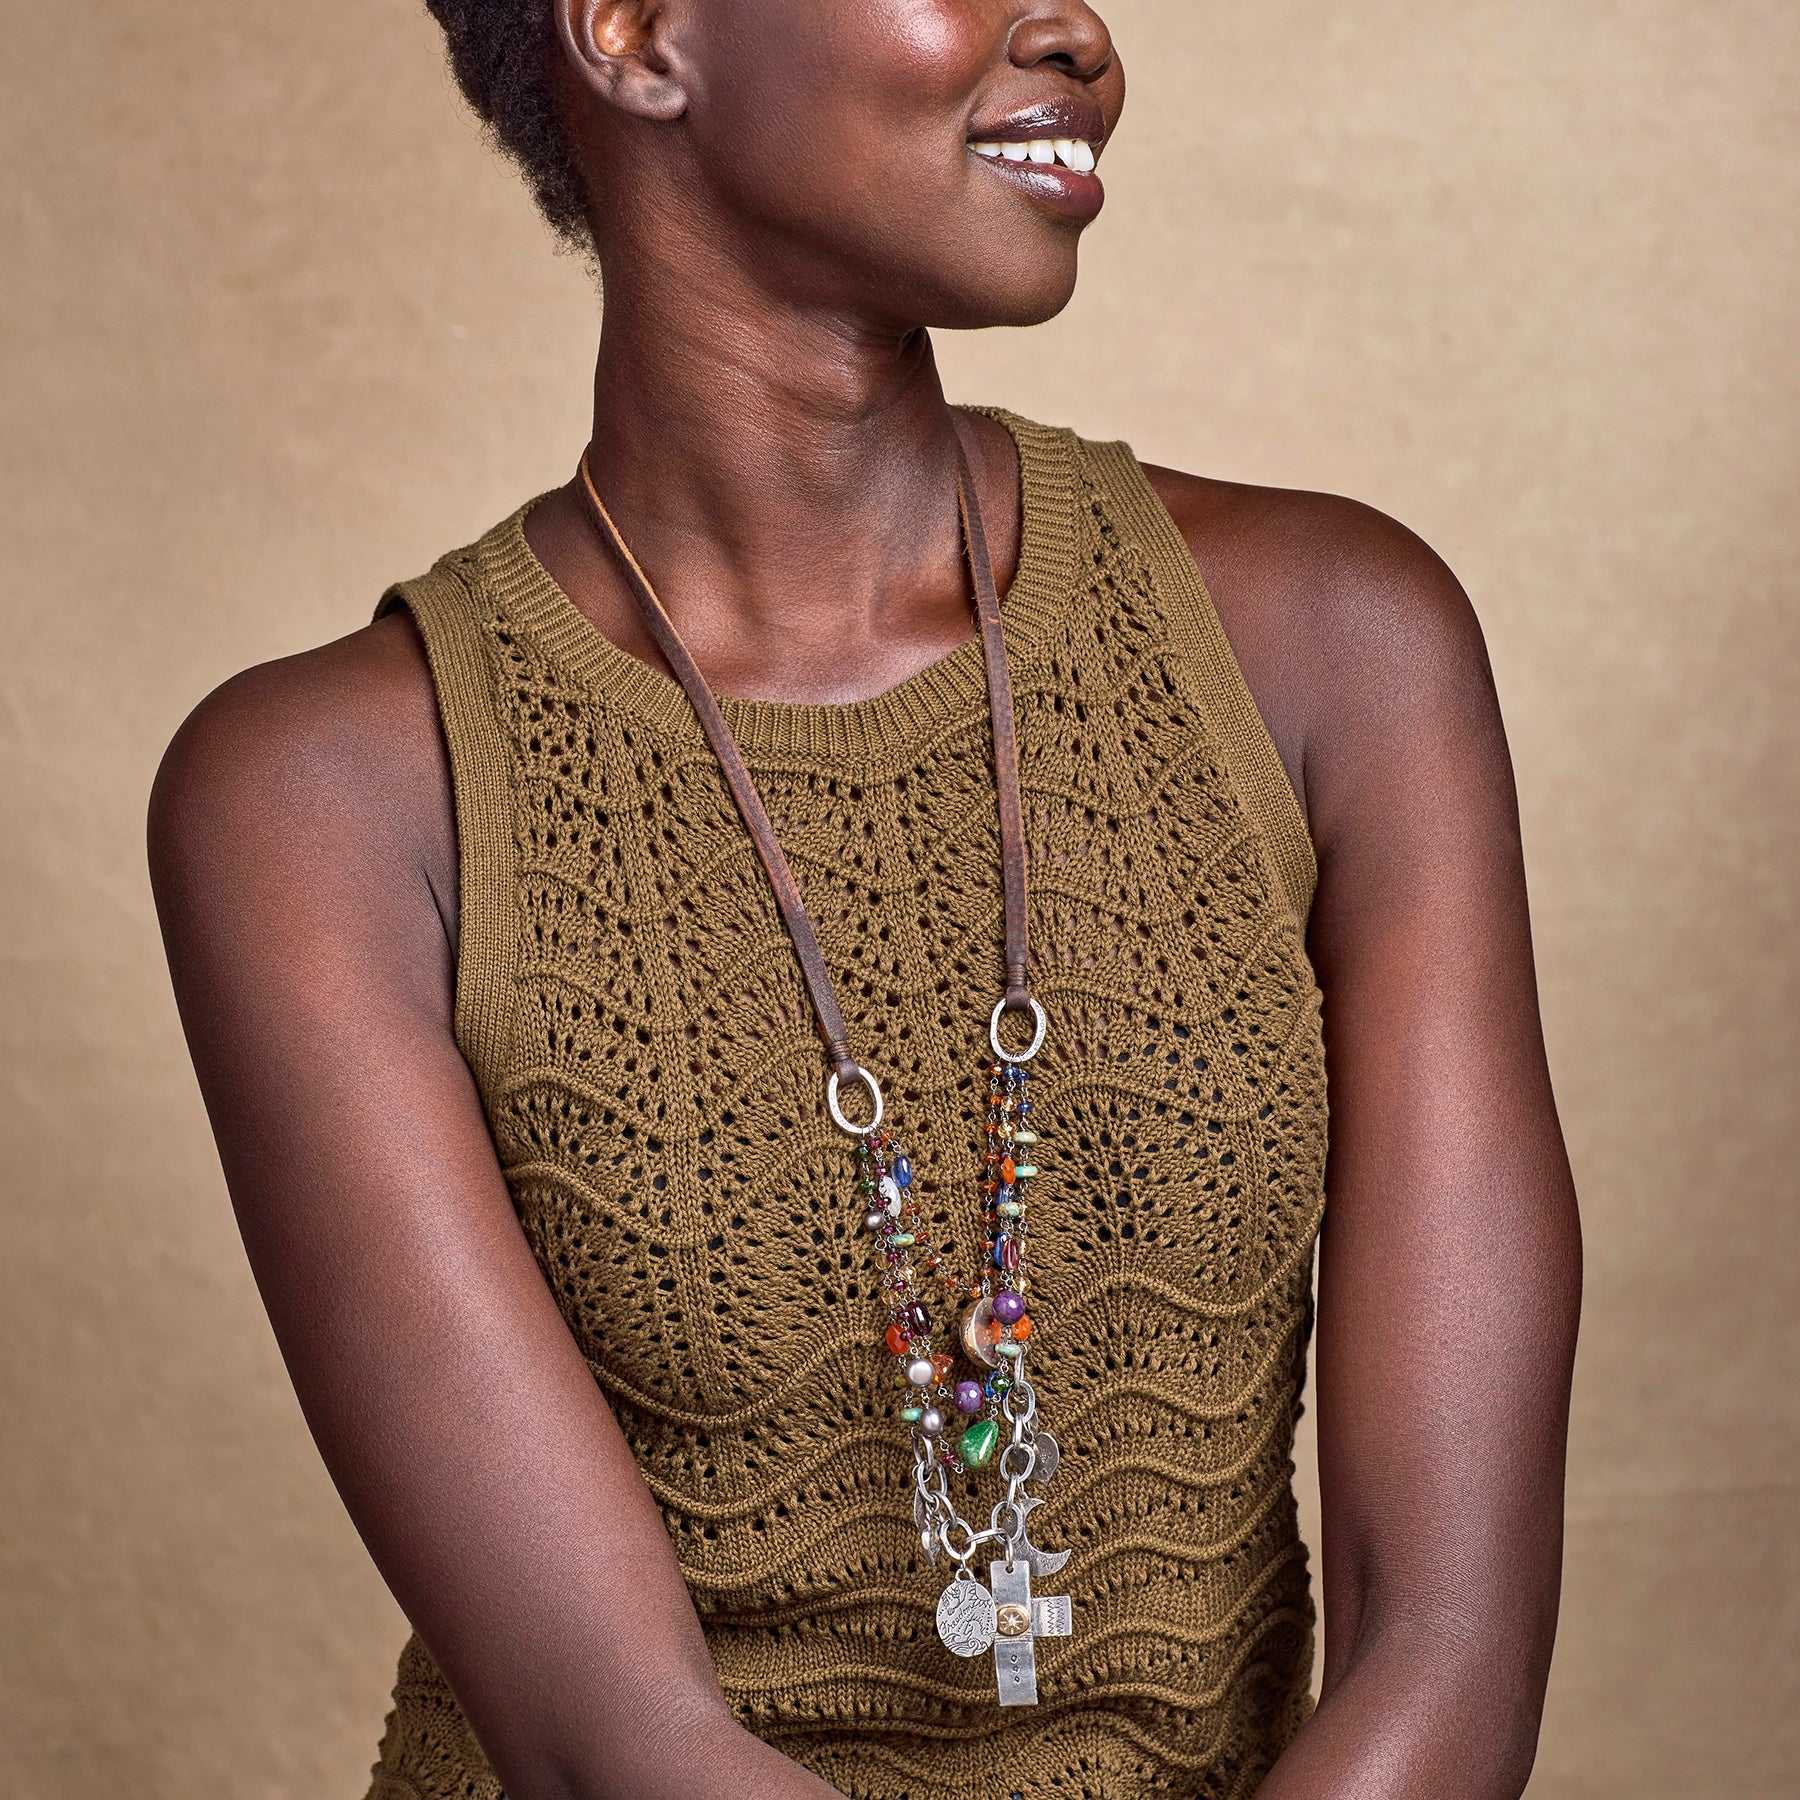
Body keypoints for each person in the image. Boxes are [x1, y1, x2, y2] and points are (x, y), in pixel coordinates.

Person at [148, 3, 1582, 1796]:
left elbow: (1443, 1635)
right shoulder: (329, 797)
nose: (1079, 32)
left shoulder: (1334, 642)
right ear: (637, 31)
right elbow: (617, 1747)